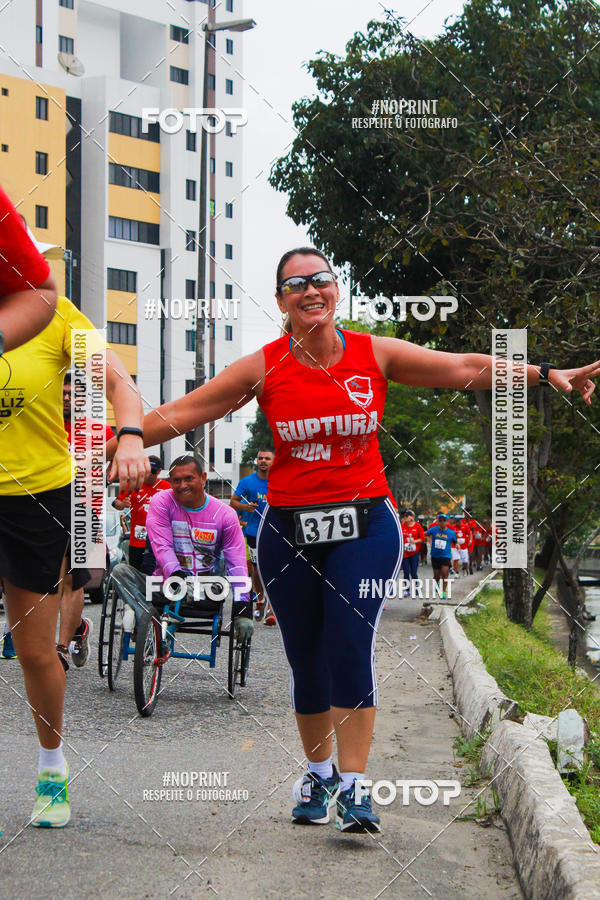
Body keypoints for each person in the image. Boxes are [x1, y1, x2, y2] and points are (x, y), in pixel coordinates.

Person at [107, 246, 600, 835]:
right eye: (296, 285)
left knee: (347, 644)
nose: (311, 291)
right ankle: (317, 774)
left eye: (321, 279)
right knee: (305, 658)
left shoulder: (375, 353)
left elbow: (465, 367)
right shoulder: (263, 367)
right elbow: (186, 412)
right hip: (287, 531)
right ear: (281, 300)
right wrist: (123, 440)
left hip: (364, 524)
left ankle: (356, 787)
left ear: (335, 288)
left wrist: (544, 373)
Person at [0, 294, 148, 829]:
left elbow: (114, 380)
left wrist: (129, 433)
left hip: (36, 494)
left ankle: (50, 767)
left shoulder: (51, 310)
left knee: (35, 652)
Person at [145, 456, 252, 631]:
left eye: (189, 479)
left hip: (205, 587)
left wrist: (243, 607)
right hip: (165, 582)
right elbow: (162, 545)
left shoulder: (225, 514)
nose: (182, 485)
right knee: (121, 573)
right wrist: (176, 577)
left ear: (203, 478)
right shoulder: (161, 502)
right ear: (170, 482)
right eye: (176, 480)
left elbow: (237, 562)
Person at [57, 372, 116, 670]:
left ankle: (60, 650)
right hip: (41, 511)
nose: (67, 397)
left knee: (71, 579)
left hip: (82, 511)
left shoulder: (101, 431)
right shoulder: (44, 428)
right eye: (63, 392)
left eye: (74, 393)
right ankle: (79, 627)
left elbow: (123, 457)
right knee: (46, 585)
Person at [0, 184, 58, 351]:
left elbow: (101, 364)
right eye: (40, 256)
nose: (45, 263)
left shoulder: (66, 313)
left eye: (44, 257)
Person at [230, 449, 275, 624]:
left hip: (274, 532)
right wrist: (245, 507)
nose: (263, 461)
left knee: (274, 568)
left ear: (273, 461)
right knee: (257, 569)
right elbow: (233, 502)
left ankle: (272, 607)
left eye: (267, 458)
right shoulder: (247, 482)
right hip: (254, 532)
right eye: (260, 458)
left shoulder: (278, 482)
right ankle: (260, 600)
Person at [112, 455, 170, 571]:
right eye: (147, 470)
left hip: (158, 542)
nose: (149, 475)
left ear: (159, 471)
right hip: (137, 542)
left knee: (156, 574)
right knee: (135, 574)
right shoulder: (133, 484)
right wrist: (122, 504)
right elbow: (115, 502)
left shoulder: (166, 487)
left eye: (153, 472)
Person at [426, 514, 457, 599]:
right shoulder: (433, 529)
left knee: (444, 574)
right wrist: (430, 541)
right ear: (438, 522)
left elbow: (455, 541)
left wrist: (457, 545)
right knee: (436, 575)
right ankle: (437, 583)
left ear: (447, 522)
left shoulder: (451, 533)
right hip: (435, 556)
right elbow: (426, 534)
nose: (442, 522)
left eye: (444, 520)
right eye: (440, 520)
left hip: (445, 556)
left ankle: (443, 591)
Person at [400, 509, 425, 595]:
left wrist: (415, 541)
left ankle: (417, 588)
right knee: (406, 572)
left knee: (413, 572)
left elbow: (422, 539)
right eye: (404, 516)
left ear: (412, 517)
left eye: (407, 516)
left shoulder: (417, 526)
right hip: (405, 553)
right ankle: (407, 589)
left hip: (414, 553)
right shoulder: (402, 526)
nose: (405, 518)